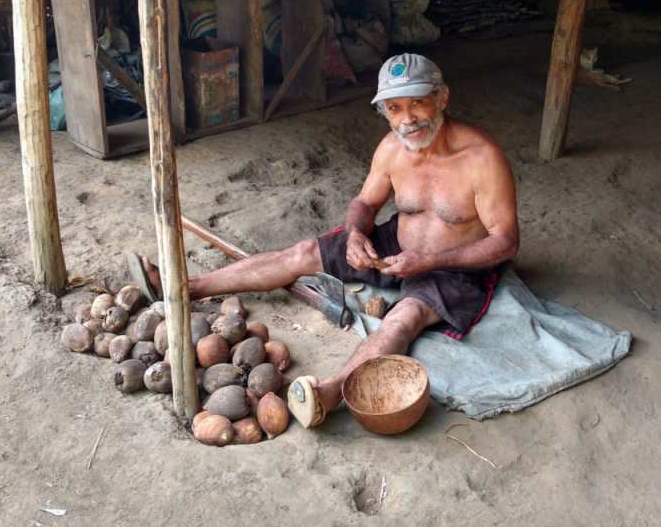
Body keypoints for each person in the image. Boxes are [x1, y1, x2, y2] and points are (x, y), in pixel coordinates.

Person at [131, 53, 518, 428]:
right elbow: (365, 202)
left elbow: (505, 242)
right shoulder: (391, 149)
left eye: (417, 104)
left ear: (443, 98)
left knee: (404, 318)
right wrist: (356, 234)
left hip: (453, 266)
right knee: (301, 253)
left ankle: (333, 392)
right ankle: (183, 288)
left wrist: (427, 262)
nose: (407, 120)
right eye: (394, 109)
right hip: (393, 245)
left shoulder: (482, 159)